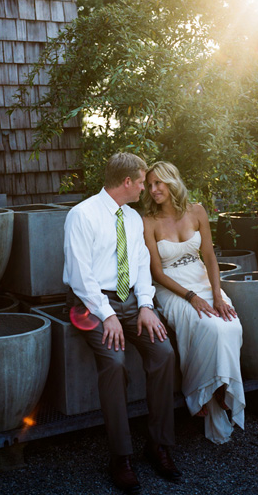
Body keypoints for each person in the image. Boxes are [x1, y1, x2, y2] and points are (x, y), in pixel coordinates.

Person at [63, 152, 181, 493]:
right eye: (143, 182)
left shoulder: (132, 218)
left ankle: (158, 444)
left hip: (131, 300)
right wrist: (108, 314)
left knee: (163, 353)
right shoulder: (82, 215)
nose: (146, 188)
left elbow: (141, 265)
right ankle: (121, 456)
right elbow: (80, 275)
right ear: (127, 182)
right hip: (90, 303)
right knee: (114, 362)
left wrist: (146, 305)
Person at [142, 161, 245, 445]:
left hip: (202, 280)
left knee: (230, 325)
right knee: (207, 327)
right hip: (172, 287)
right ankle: (200, 391)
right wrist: (191, 297)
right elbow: (156, 272)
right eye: (149, 185)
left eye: (158, 183)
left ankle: (220, 388)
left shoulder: (197, 211)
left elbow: (210, 258)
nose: (153, 190)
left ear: (172, 181)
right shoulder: (148, 221)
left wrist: (216, 293)